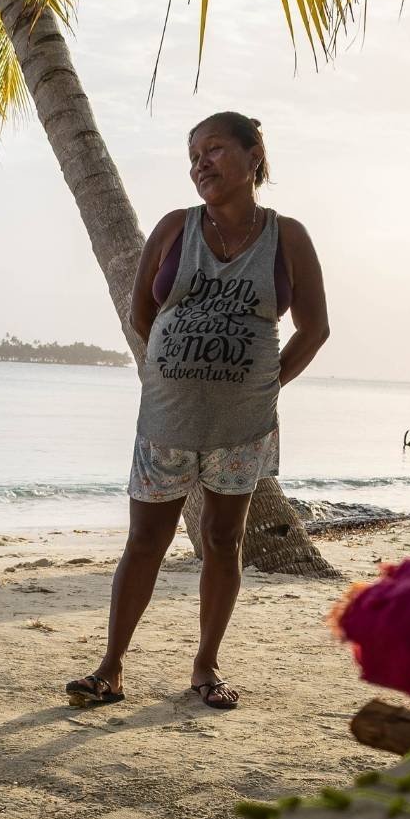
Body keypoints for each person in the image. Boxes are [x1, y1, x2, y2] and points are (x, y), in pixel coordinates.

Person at [65, 112, 329, 711]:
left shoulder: (287, 237)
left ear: (254, 154)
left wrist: (265, 386)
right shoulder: (173, 229)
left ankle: (206, 667)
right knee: (145, 541)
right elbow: (142, 314)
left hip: (241, 427)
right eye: (193, 156)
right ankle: (110, 669)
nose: (200, 164)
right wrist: (179, 368)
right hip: (166, 419)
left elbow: (315, 329)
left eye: (213, 150)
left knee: (222, 539)